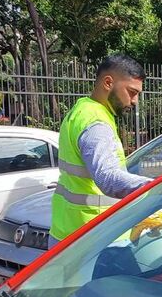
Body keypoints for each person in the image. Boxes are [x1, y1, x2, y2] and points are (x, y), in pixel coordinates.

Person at [50, 55, 153, 247]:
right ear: (108, 83)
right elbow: (107, 177)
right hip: (95, 238)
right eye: (131, 92)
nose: (134, 101)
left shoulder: (82, 110)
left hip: (67, 233)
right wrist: (158, 187)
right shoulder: (96, 123)